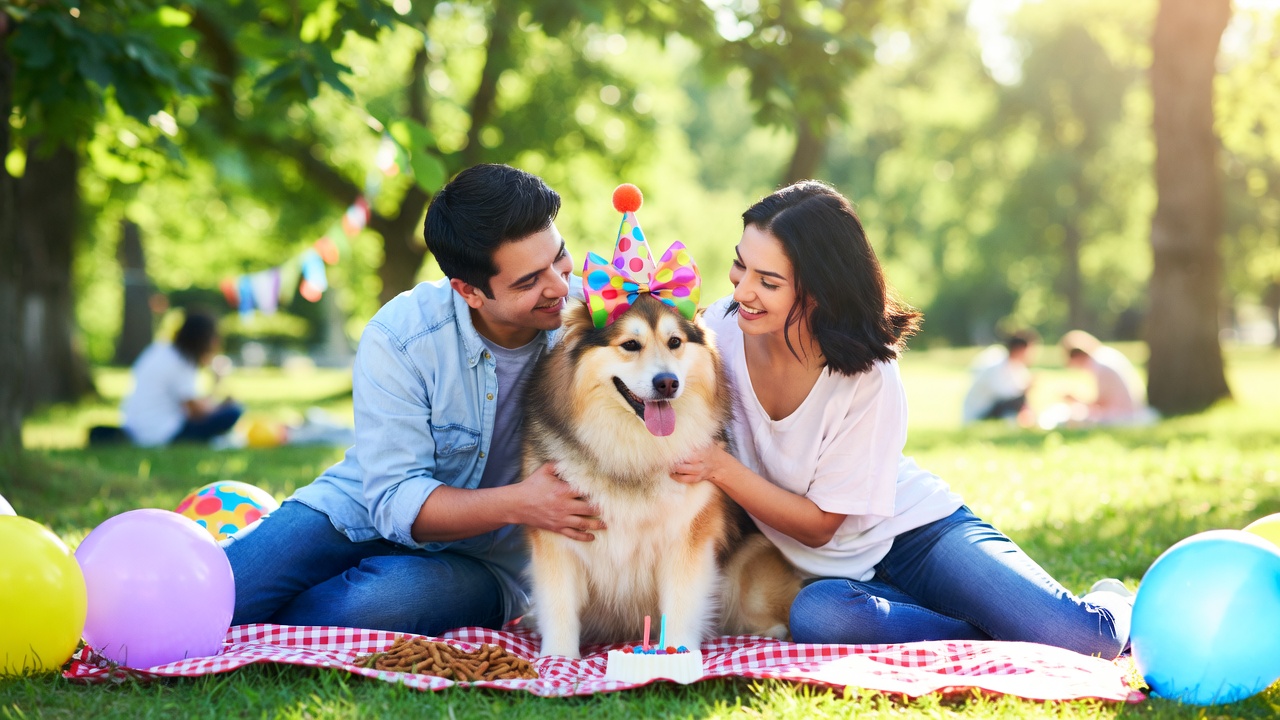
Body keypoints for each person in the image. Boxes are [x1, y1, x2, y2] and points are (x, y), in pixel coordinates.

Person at [670, 181, 1133, 658]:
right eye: (740, 265)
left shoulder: (867, 372)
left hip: (916, 535)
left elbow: (820, 524)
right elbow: (635, 387)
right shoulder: (719, 334)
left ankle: (1112, 601)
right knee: (819, 617)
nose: (743, 290)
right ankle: (995, 633)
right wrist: (583, 499)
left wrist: (720, 467)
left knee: (1086, 640)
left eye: (768, 282)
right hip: (833, 580)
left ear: (819, 292)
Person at [222, 164, 601, 636]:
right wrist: (524, 501)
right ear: (469, 291)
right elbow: (395, 498)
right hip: (361, 512)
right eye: (529, 282)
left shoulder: (597, 321)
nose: (561, 287)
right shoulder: (402, 334)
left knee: (370, 606)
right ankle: (254, 609)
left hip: (483, 562)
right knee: (223, 589)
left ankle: (270, 626)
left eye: (559, 258)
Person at [119, 311, 243, 446]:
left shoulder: (160, 349)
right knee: (233, 411)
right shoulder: (180, 362)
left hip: (135, 429)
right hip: (161, 434)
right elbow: (197, 412)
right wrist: (217, 386)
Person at [1058, 330, 1157, 427]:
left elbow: (1101, 403)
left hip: (1123, 415)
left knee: (1072, 416)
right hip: (1134, 410)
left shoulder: (1099, 364)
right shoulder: (1105, 355)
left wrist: (1077, 400)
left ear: (1077, 357)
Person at [961, 330, 1038, 425]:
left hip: (993, 409)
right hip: (979, 413)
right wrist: (1026, 389)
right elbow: (1005, 396)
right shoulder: (995, 364)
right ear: (1021, 349)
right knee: (1014, 403)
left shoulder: (1017, 366)